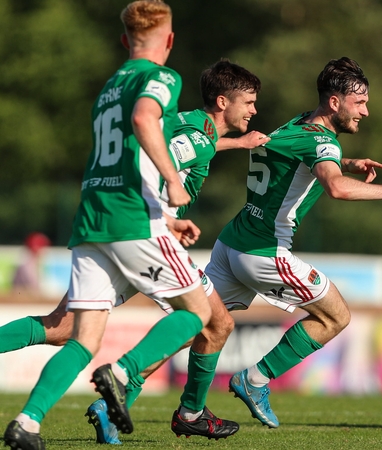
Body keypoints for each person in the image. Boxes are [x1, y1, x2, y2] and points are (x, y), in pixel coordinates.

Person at [0, 58, 268, 445]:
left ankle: (65, 412)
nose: (254, 110)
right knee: (215, 321)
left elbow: (187, 146)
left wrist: (237, 143)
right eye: (250, 102)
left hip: (119, 228)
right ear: (224, 102)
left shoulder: (193, 124)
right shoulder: (196, 136)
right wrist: (167, 216)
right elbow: (171, 161)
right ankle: (179, 406)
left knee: (63, 327)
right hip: (148, 232)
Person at [177, 56, 382, 429]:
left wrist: (346, 161)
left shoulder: (298, 123)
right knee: (336, 317)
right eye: (359, 102)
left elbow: (298, 157)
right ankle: (255, 381)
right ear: (335, 102)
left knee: (199, 326)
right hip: (265, 252)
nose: (366, 111)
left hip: (231, 242)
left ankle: (130, 380)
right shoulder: (322, 142)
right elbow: (334, 187)